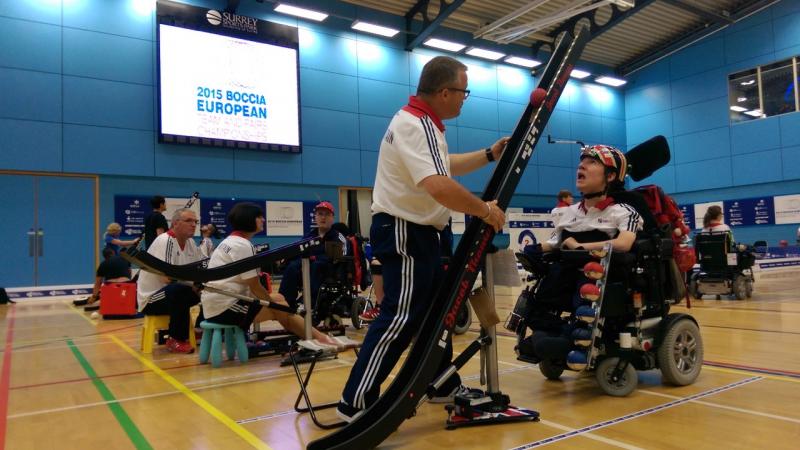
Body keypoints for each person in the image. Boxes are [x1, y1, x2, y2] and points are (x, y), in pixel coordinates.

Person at [336, 55, 507, 422]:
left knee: (435, 314)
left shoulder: (423, 124)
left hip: (423, 233)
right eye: (464, 91)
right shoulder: (416, 125)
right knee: (401, 318)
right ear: (444, 92)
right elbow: (439, 185)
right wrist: (485, 210)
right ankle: (356, 402)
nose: (465, 98)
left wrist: (491, 154)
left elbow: (443, 165)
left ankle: (442, 383)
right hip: (407, 230)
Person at [201, 203, 340, 345]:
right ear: (249, 220)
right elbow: (254, 286)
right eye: (260, 217)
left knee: (280, 298)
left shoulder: (230, 241)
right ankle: (318, 338)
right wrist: (271, 304)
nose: (263, 220)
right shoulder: (243, 246)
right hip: (225, 308)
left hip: (216, 303)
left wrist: (272, 302)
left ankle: (306, 335)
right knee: (280, 309)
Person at [136, 208, 203, 353]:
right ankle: (175, 339)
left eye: (195, 221)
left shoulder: (191, 243)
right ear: (175, 223)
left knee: (203, 290)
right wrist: (192, 284)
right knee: (179, 290)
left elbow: (200, 270)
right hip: (151, 299)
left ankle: (200, 328)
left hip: (174, 295)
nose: (193, 224)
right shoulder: (165, 241)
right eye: (188, 221)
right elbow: (166, 278)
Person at [278, 201, 347, 311]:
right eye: (320, 214)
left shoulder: (338, 236)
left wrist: (315, 258)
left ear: (332, 218)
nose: (323, 217)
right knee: (292, 266)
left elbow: (340, 255)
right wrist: (286, 258)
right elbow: (299, 250)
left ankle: (309, 302)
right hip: (308, 265)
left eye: (327, 214)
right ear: (315, 217)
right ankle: (286, 301)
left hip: (330, 269)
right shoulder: (310, 235)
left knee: (317, 265)